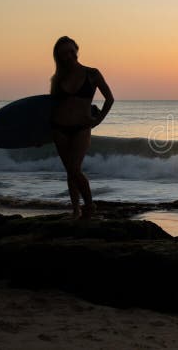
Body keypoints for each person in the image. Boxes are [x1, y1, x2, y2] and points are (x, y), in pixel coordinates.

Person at [50, 36, 114, 219]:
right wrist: (38, 135)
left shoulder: (92, 73)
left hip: (81, 128)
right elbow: (52, 107)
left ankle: (90, 206)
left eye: (71, 51)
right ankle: (76, 209)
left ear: (76, 50)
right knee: (70, 171)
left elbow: (109, 99)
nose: (69, 56)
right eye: (64, 54)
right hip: (59, 128)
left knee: (75, 169)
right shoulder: (58, 78)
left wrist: (99, 119)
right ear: (59, 57)